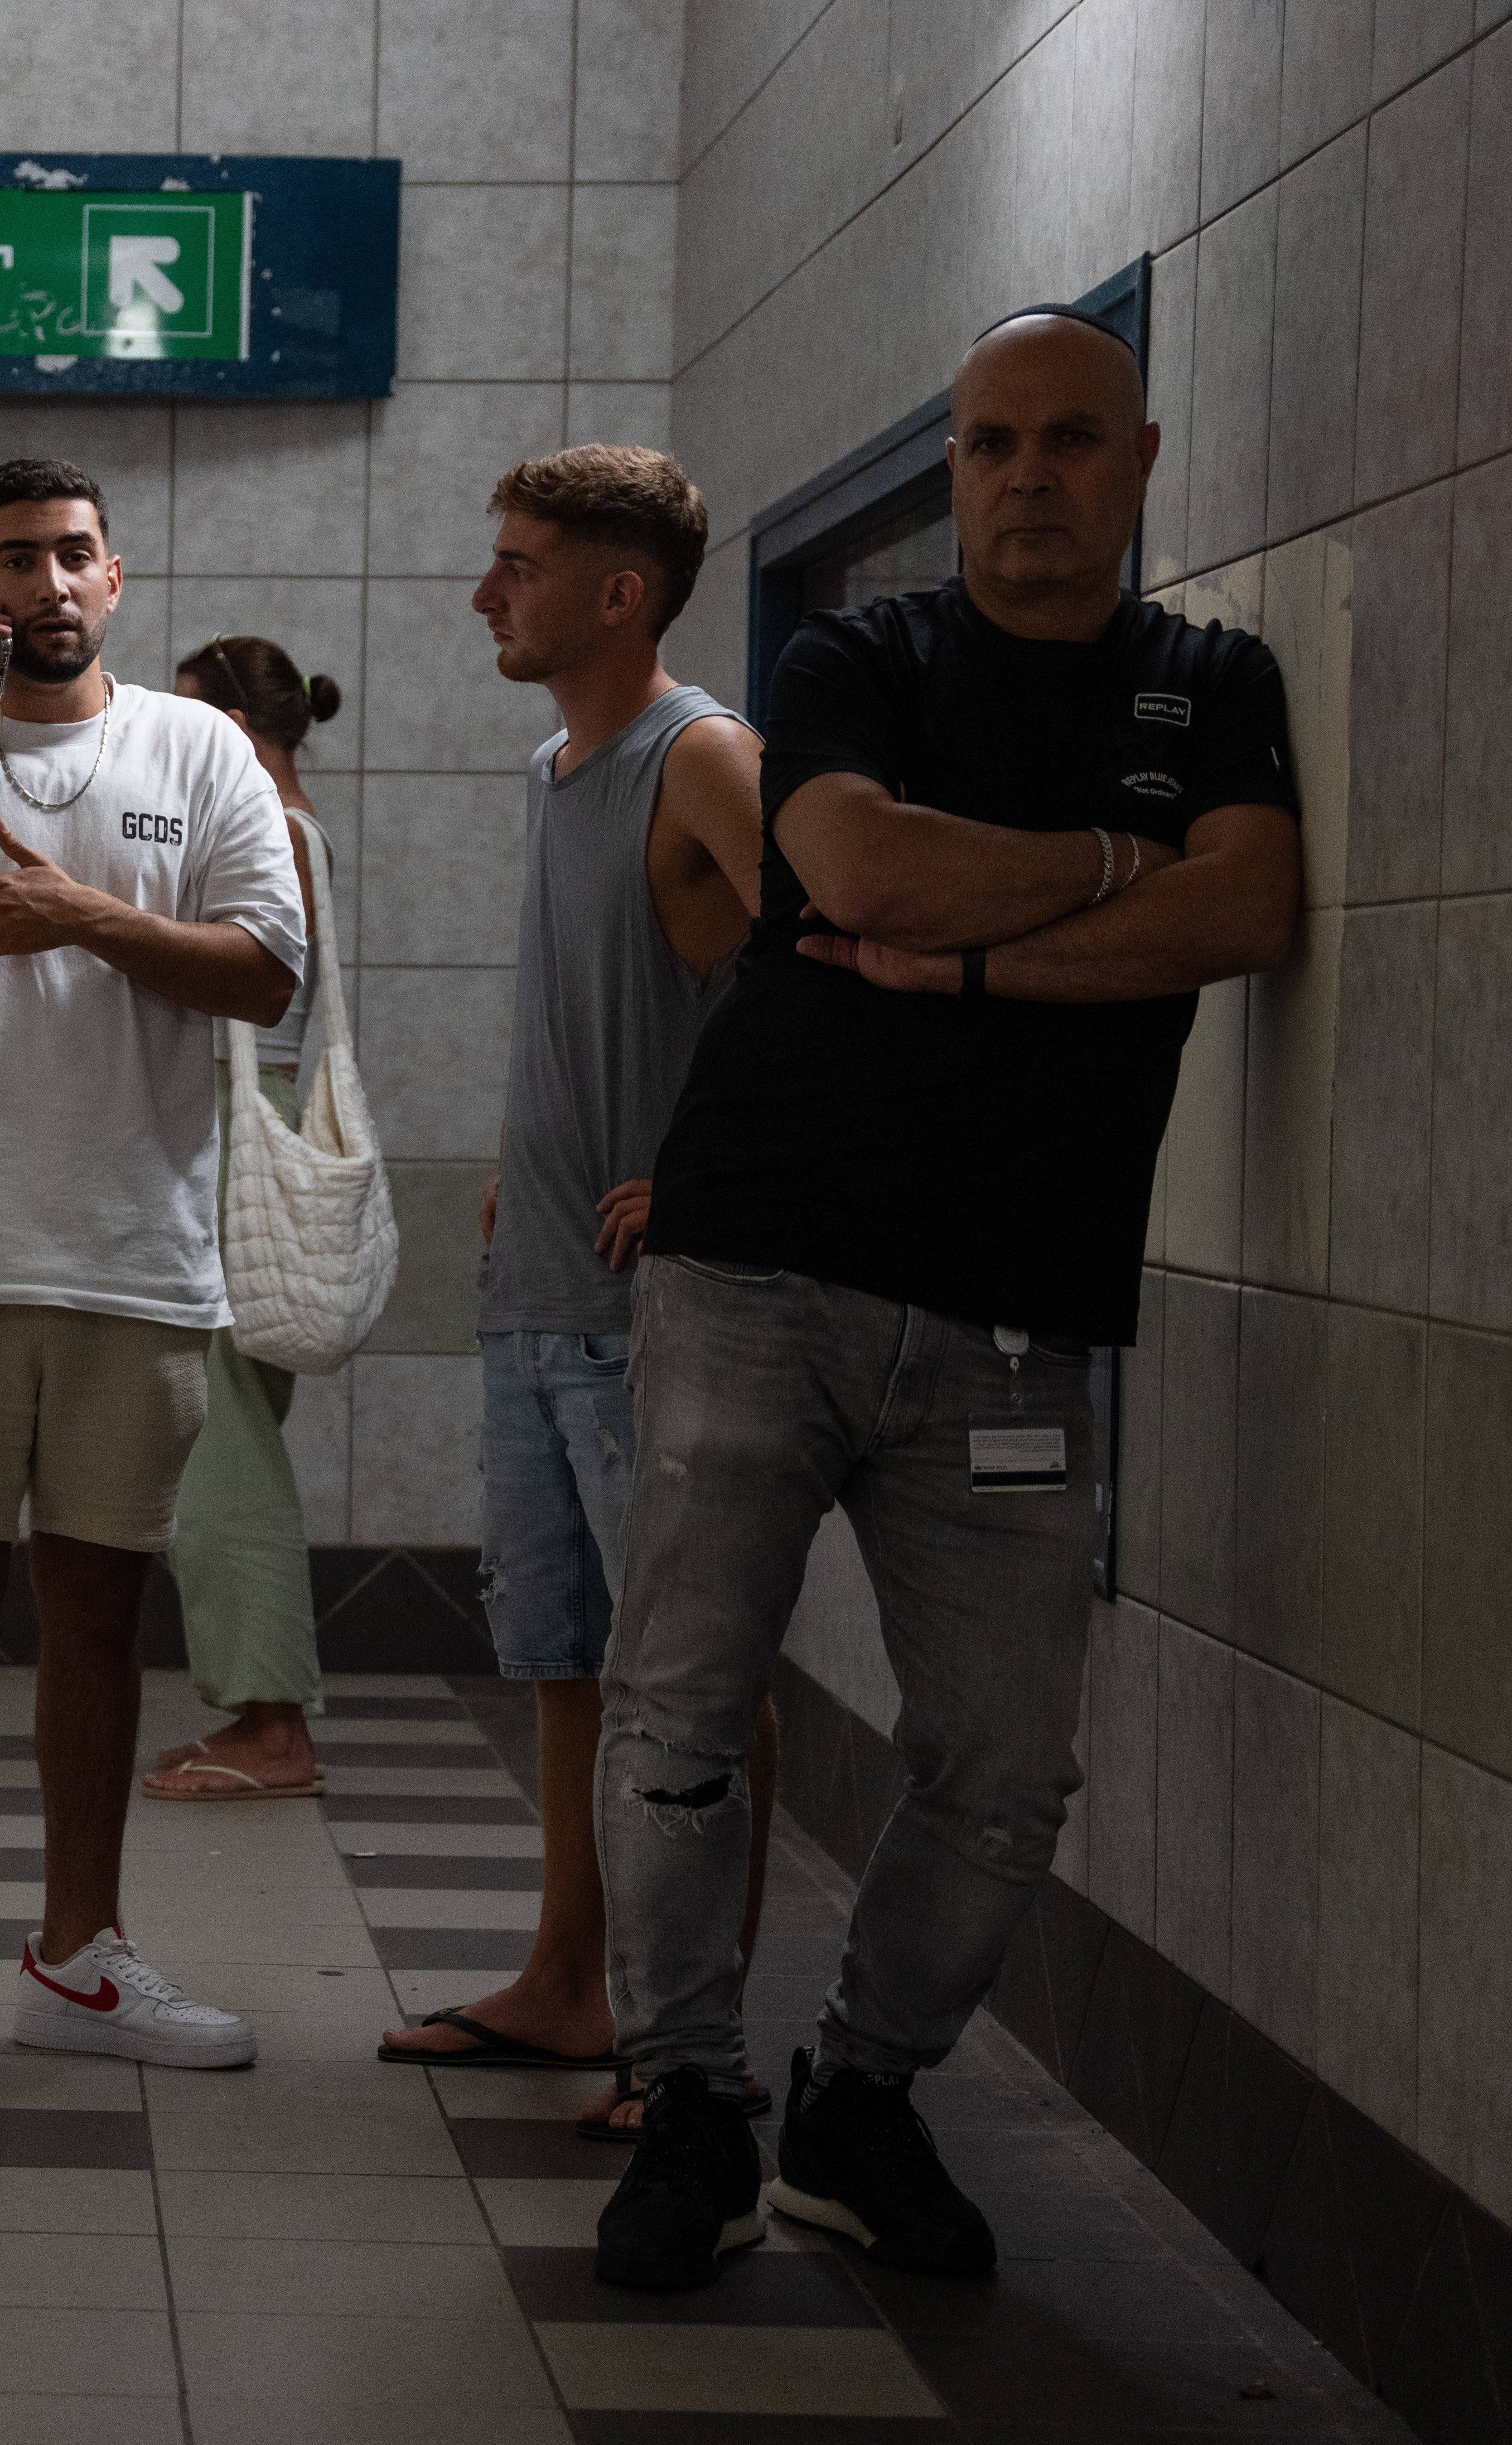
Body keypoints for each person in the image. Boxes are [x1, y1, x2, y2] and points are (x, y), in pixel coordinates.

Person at [591, 309, 1301, 2290]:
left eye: (1068, 440)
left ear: (1141, 459)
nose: (1023, 478)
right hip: (759, 1272)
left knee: (1003, 1762)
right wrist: (1104, 868)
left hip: (1016, 1310)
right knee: (680, 1712)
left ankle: (858, 2098)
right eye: (990, 443)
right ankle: (690, 2110)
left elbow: (1245, 912)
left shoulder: (1211, 681)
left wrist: (993, 961)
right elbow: (860, 878)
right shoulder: (856, 657)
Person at [0, 458, 308, 2107]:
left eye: (75, 555)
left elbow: (266, 971)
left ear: (120, 580)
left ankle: (82, 1955)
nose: (49, 581)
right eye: (15, 557)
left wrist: (75, 913)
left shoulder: (198, 748)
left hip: (135, 1259)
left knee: (99, 1615)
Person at [369, 447, 783, 2145]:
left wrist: (715, 1173)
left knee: (688, 1679)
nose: (488, 592)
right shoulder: (561, 766)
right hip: (532, 1288)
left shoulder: (707, 759)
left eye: (519, 566)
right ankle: (568, 1985)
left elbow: (834, 975)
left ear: (622, 593)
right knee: (558, 1662)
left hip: (651, 1315)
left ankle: (698, 2042)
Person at [139, 635, 342, 1804]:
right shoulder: (295, 815)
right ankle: (260, 1712)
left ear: (225, 716)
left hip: (235, 1124)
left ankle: (273, 1728)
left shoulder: (263, 819)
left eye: (185, 717)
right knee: (233, 1425)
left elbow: (215, 974)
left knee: (220, 1439)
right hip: (261, 1120)